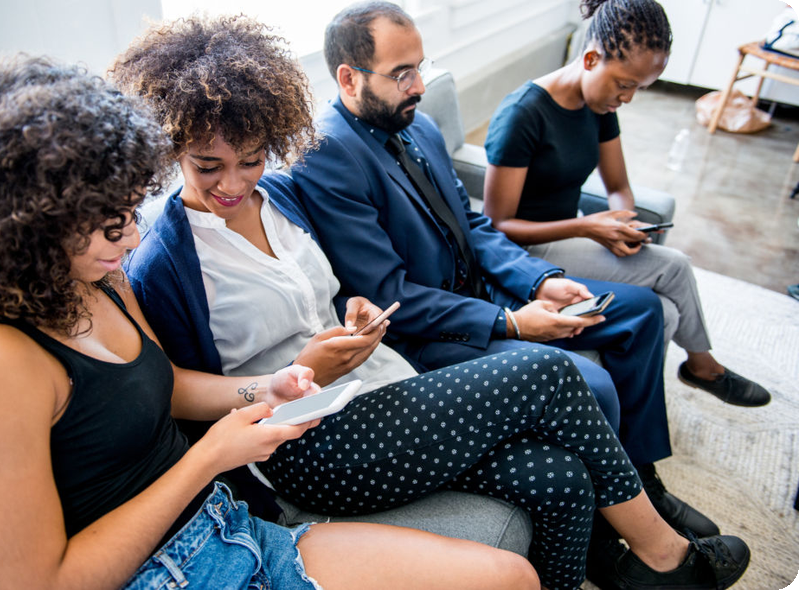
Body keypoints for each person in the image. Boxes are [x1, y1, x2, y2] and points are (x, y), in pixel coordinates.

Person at [112, 14, 749, 590]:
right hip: (304, 441)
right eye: (208, 166)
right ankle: (664, 558)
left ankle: (615, 572)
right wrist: (289, 378)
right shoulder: (165, 260)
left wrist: (357, 316)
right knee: (549, 372)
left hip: (375, 385)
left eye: (250, 160)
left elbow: (339, 292)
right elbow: (177, 395)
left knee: (560, 477)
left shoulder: (280, 197)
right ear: (172, 147)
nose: (232, 183)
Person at [0, 56, 552, 590]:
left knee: (510, 577)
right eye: (109, 225)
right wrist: (208, 457)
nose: (131, 237)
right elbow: (40, 583)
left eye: (129, 213)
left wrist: (268, 387)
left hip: (226, 523)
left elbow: (167, 385)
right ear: (26, 224)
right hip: (162, 572)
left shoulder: (97, 279)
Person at [288, 0, 716, 541]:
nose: (420, 85)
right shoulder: (328, 152)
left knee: (643, 312)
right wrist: (511, 323)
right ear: (349, 78)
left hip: (485, 291)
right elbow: (389, 293)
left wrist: (539, 280)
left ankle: (639, 474)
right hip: (430, 334)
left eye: (420, 66)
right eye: (402, 74)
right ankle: (613, 531)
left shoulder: (417, 126)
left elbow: (473, 224)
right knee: (593, 384)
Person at [482, 0, 769, 409]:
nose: (628, 98)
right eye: (624, 84)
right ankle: (703, 367)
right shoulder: (523, 115)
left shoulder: (598, 104)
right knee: (674, 266)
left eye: (639, 88)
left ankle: (627, 407)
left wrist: (625, 220)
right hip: (527, 252)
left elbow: (617, 186)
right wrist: (588, 227)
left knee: (667, 313)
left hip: (571, 234)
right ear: (590, 59)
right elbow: (498, 225)